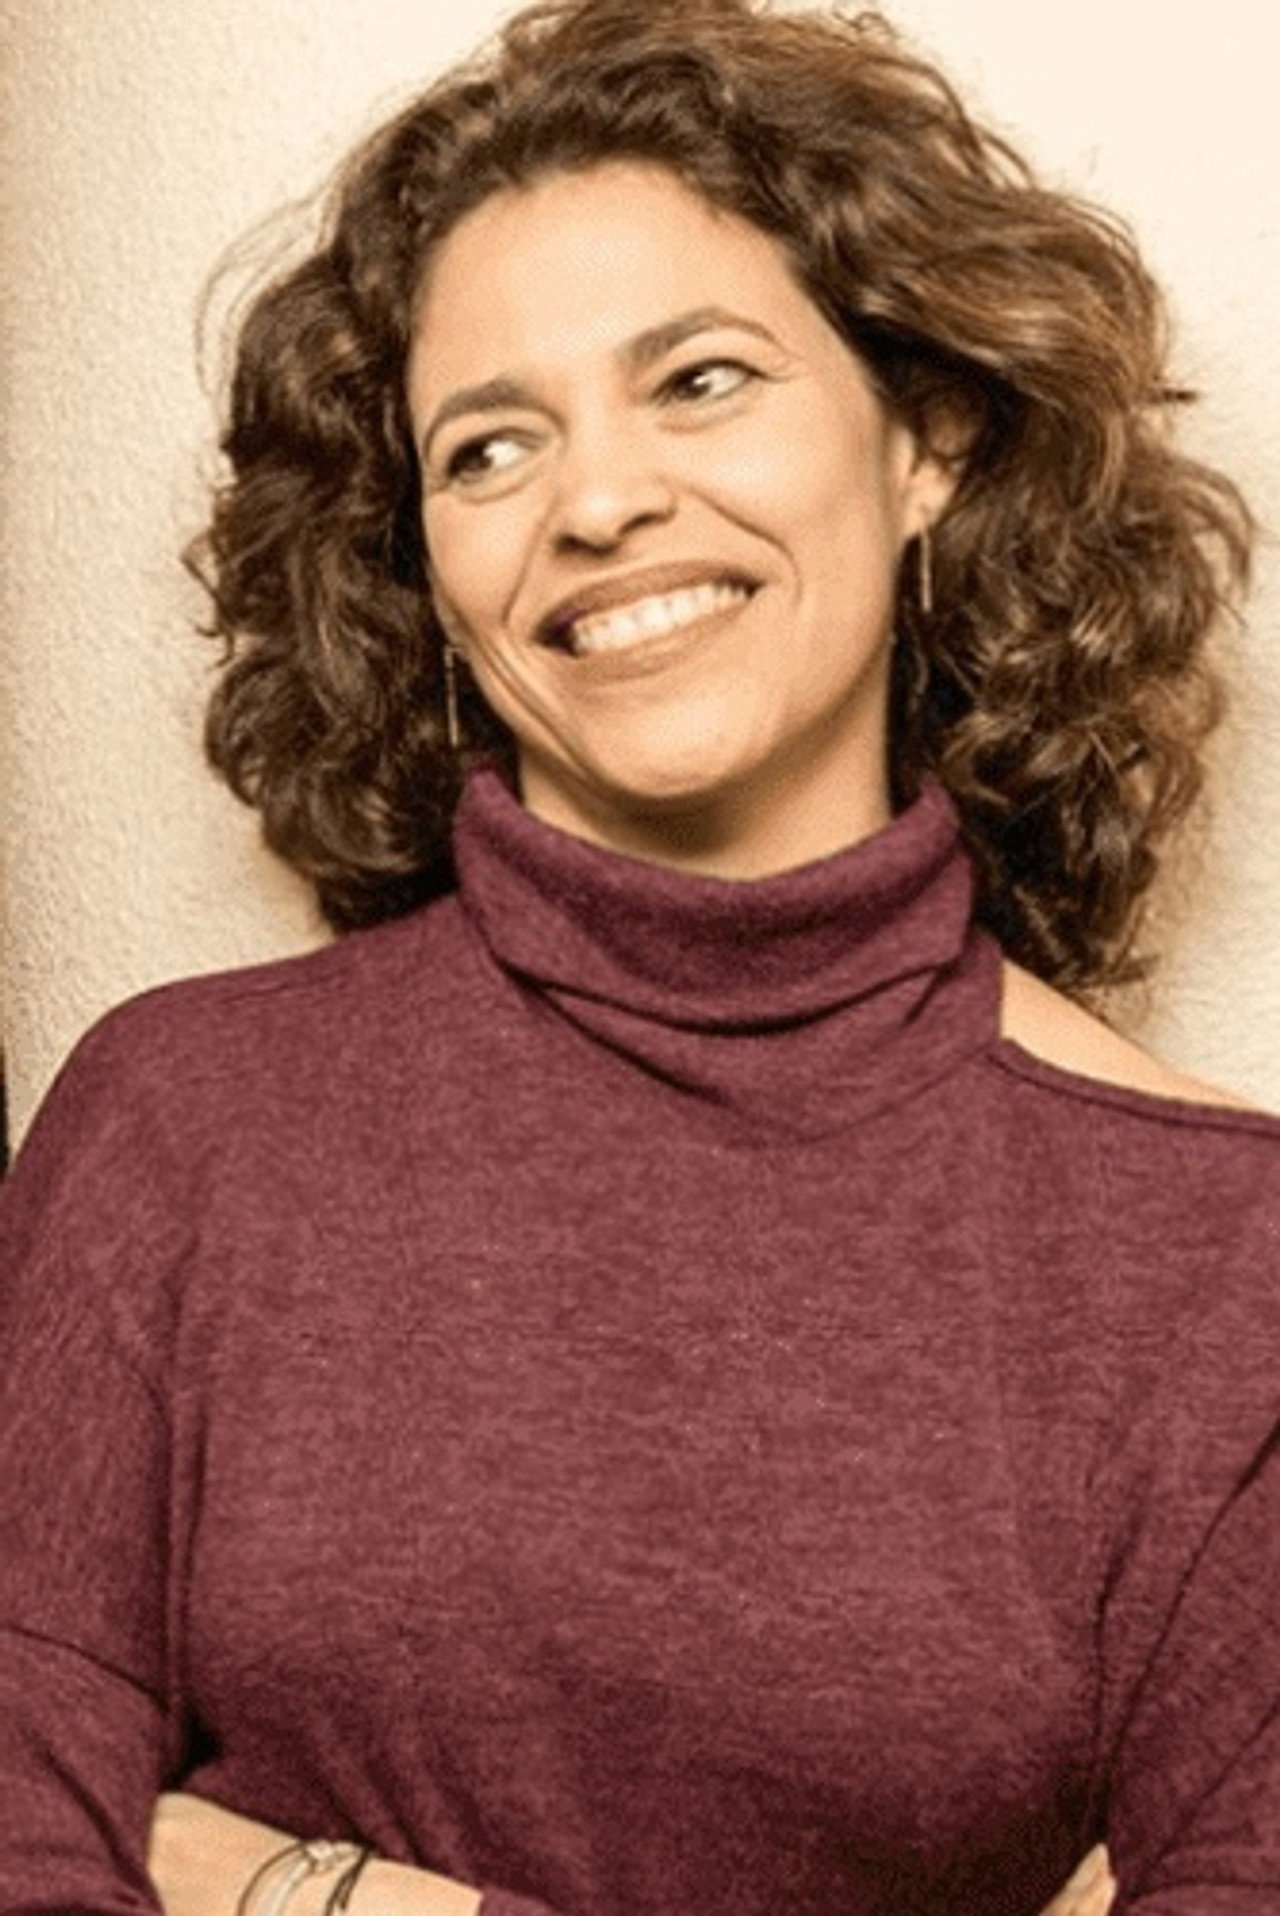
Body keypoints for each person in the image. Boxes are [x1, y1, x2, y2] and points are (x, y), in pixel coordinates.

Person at [0, 0, 1275, 1910]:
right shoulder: (182, 1122)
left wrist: (312, 1895)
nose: (595, 504)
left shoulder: (1223, 1265)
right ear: (424, 564)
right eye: (490, 447)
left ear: (927, 438)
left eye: (700, 380)